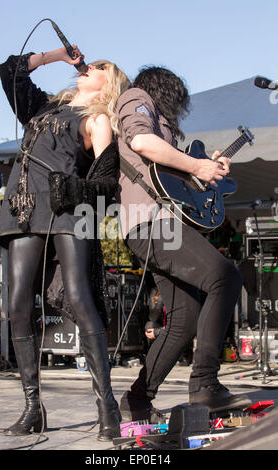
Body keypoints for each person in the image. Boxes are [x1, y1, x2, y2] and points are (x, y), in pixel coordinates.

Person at [0, 45, 130, 440]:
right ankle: (33, 406)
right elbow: (10, 70)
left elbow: (108, 185)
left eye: (101, 67)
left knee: (79, 297)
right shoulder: (42, 107)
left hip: (68, 211)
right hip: (22, 208)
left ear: (111, 84)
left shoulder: (98, 119)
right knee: (17, 304)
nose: (91, 67)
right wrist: (57, 55)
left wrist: (73, 187)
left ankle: (106, 403)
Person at [115, 66, 252, 422]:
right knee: (226, 277)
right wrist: (198, 166)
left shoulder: (165, 129)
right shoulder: (137, 98)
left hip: (160, 225)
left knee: (183, 318)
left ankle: (137, 400)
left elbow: (169, 178)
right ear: (168, 90)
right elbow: (141, 142)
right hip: (152, 224)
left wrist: (204, 170)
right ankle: (205, 383)